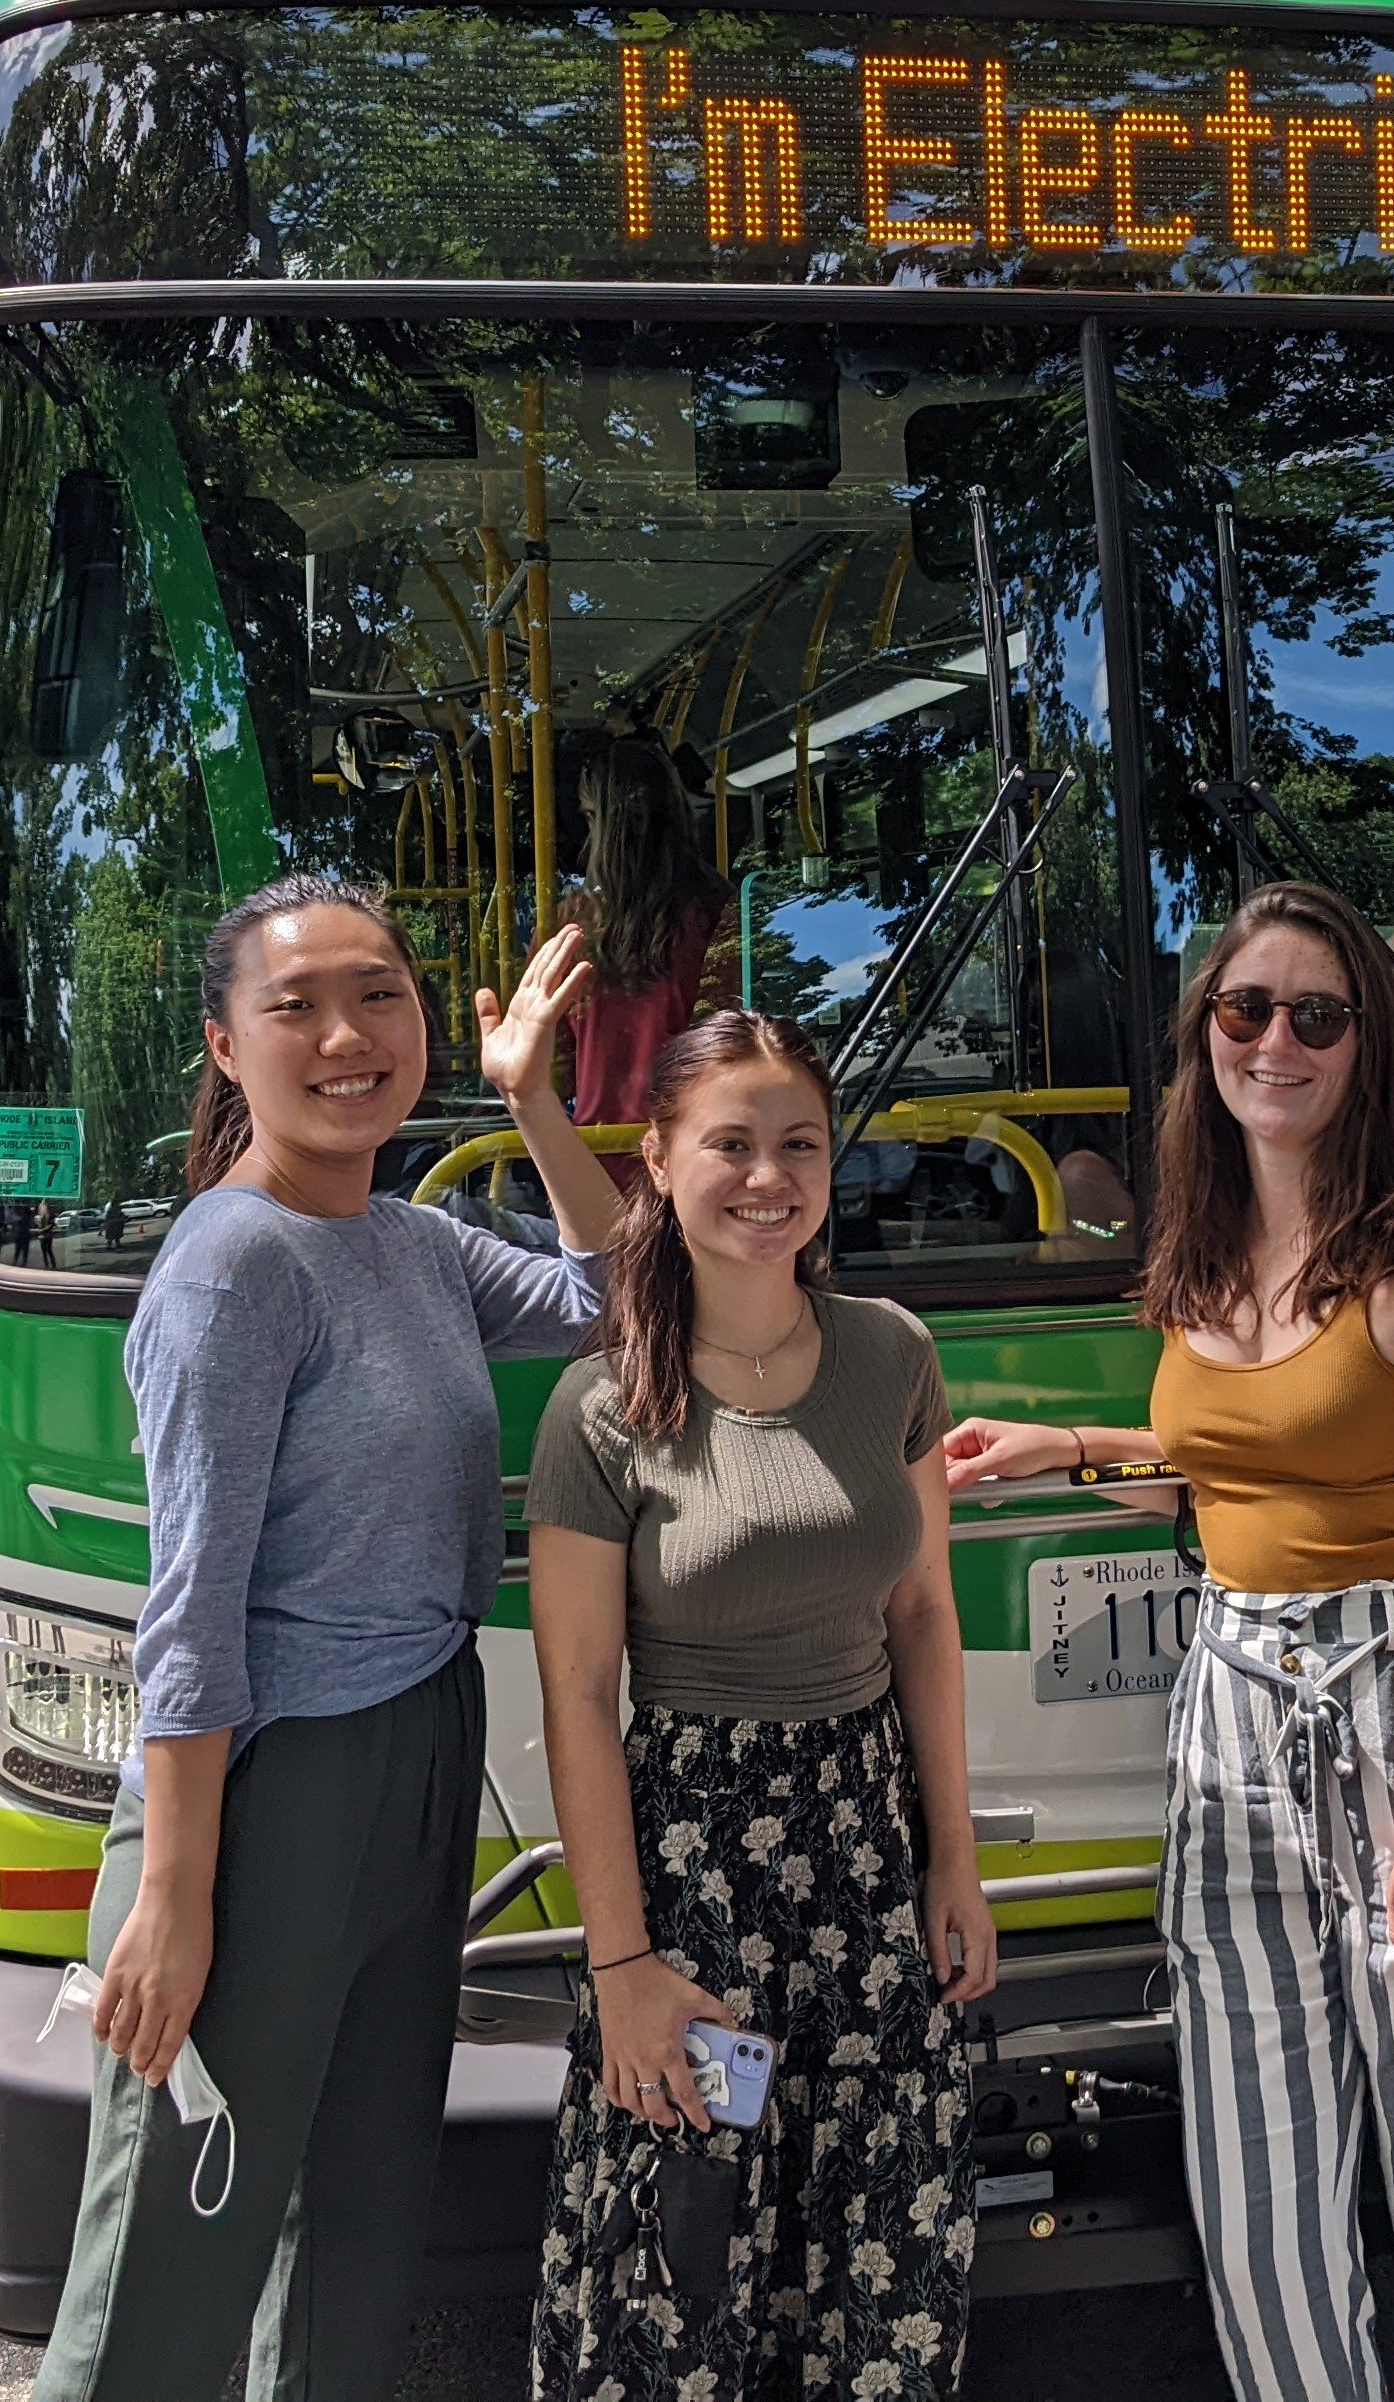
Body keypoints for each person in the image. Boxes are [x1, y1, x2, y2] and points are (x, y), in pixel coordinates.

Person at [944, 879, 1394, 2401]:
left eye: (1321, 1014)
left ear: (1371, 1042)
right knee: (1255, 2217)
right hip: (1237, 1716)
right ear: (1204, 1037)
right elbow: (1260, 1461)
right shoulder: (1209, 1234)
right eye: (1247, 1011)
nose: (1279, 1041)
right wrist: (1071, 1444)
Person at [35, 877, 624, 2402]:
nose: (348, 1035)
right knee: (176, 2242)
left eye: (380, 995)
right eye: (297, 1007)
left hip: (419, 1747)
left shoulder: (415, 1244)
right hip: (263, 1789)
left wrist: (534, 1100)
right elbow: (193, 1605)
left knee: (362, 2230)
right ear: (228, 1048)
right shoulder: (233, 1268)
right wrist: (173, 1896)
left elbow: (617, 1298)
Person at [526, 1009, 994, 2400]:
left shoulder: (890, 1354)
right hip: (693, 1879)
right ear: (658, 1159)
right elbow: (578, 1689)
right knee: (679, 2265)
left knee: (875, 2263)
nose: (767, 1175)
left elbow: (920, 1612)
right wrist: (620, 1967)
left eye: (799, 1143)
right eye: (729, 1142)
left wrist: (954, 1859)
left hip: (866, 1855)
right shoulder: (603, 1406)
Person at [562, 739, 734, 1180]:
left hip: (595, 1157)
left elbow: (550, 1060)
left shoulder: (571, 924)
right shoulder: (721, 912)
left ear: (601, 824)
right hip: (698, 1152)